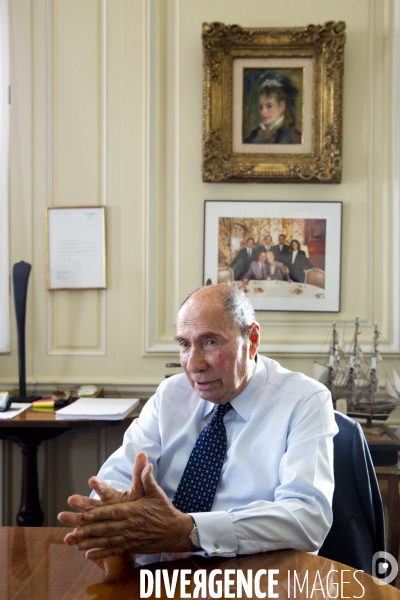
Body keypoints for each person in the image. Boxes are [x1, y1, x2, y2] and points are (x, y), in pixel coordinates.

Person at [58, 285, 337, 560]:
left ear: (252, 340)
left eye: (210, 342)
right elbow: (119, 473)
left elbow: (307, 516)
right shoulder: (171, 395)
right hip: (161, 573)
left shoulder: (304, 400)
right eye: (184, 344)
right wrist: (113, 509)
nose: (193, 364)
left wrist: (190, 532)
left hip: (253, 575)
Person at [244, 72, 302, 144]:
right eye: (261, 107)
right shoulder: (254, 134)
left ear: (282, 106)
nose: (263, 112)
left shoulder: (289, 136)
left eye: (269, 106)